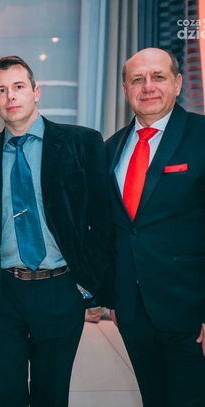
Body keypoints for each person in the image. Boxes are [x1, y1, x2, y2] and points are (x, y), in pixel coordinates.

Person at [0, 55, 111, 407]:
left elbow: (102, 221)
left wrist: (86, 285)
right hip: (3, 293)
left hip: (61, 288)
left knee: (51, 395)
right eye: (1, 90)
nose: (10, 96)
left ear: (36, 92)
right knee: (3, 396)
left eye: (18, 87)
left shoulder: (81, 143)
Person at [105, 47, 205, 407]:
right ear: (125, 89)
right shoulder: (111, 148)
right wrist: (113, 296)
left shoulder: (201, 135)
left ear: (177, 83)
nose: (147, 86)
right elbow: (116, 229)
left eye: (158, 77)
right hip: (133, 313)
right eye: (137, 79)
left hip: (191, 313)